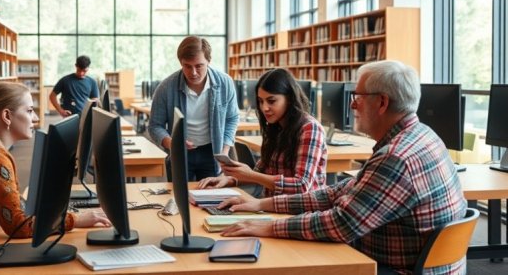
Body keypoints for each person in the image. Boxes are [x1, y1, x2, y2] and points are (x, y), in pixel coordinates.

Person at [218, 60, 468, 274]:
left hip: (396, 269)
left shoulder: (396, 157)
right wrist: (262, 204)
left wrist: (269, 226)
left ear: (382, 102)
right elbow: (338, 192)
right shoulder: (421, 135)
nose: (352, 105)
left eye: (357, 97)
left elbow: (341, 224)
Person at [0, 82, 110, 275]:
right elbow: (18, 226)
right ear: (7, 116)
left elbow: (14, 208)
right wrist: (74, 220)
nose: (35, 118)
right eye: (29, 111)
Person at [198, 68, 327, 197]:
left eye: (271, 101)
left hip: (301, 212)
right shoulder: (275, 127)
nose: (264, 108)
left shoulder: (310, 128)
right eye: (260, 101)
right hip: (270, 207)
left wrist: (250, 175)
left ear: (289, 99)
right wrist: (230, 179)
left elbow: (301, 186)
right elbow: (260, 172)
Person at [149, 36, 239, 181]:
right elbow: (155, 126)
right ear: (181, 63)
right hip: (180, 153)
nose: (193, 72)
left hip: (213, 151)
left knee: (212, 198)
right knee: (181, 199)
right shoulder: (165, 88)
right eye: (187, 66)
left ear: (208, 61)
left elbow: (232, 118)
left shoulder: (225, 83)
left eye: (199, 66)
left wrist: (224, 150)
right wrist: (173, 144)